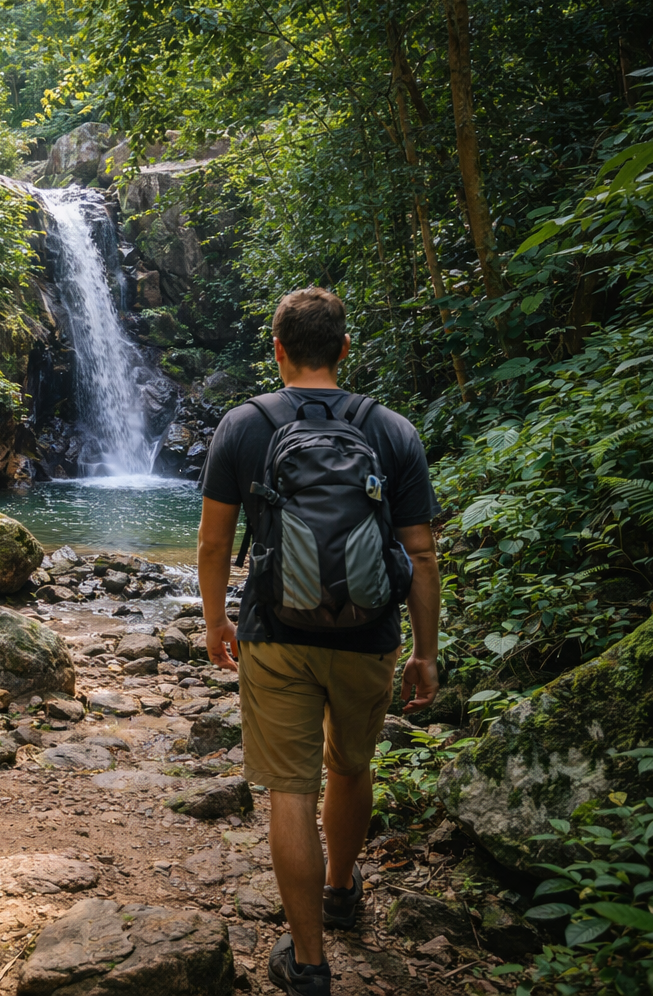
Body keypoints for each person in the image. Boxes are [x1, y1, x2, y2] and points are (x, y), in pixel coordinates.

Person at [196, 287, 441, 996]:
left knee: (290, 793)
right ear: (344, 349)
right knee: (352, 768)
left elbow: (215, 544)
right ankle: (340, 890)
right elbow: (420, 552)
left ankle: (308, 965)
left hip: (274, 630)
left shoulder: (243, 426)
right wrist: (425, 651)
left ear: (276, 351)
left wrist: (218, 621)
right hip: (370, 633)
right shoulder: (391, 429)